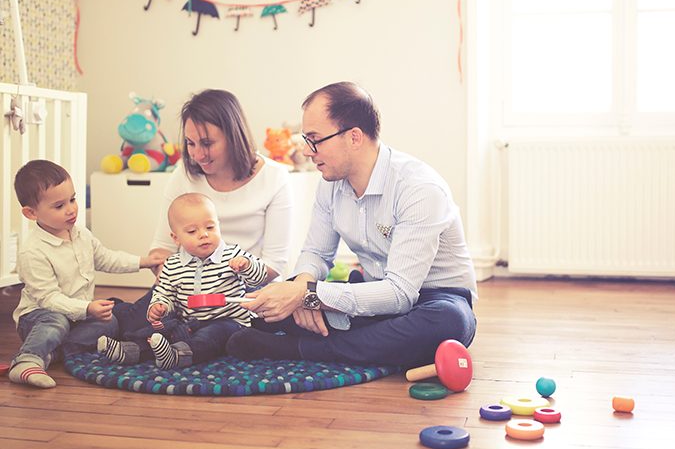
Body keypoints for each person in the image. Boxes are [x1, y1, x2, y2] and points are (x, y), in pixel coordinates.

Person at [226, 81, 478, 369]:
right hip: (374, 295)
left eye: (315, 140)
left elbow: (400, 294)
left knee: (448, 324)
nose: (308, 152)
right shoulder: (330, 183)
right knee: (264, 305)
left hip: (433, 299)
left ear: (354, 138)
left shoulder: (419, 188)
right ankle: (356, 343)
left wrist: (309, 295)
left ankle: (300, 349)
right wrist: (301, 289)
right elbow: (316, 255)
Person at [113, 88, 293, 336]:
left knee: (230, 337)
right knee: (130, 325)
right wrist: (180, 286)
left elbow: (275, 262)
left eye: (207, 143)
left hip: (243, 295)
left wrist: (227, 282)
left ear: (233, 136)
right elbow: (162, 248)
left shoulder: (274, 177)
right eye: (190, 143)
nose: (197, 155)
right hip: (187, 291)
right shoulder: (183, 174)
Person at [9, 160, 165, 389]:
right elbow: (49, 299)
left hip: (76, 316)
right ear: (31, 213)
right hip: (40, 317)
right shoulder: (33, 251)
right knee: (57, 321)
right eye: (59, 206)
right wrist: (86, 308)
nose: (71, 209)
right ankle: (27, 359)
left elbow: (106, 258)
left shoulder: (80, 234)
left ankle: (54, 355)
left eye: (73, 199)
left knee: (109, 323)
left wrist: (143, 262)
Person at [98, 193, 268, 368]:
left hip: (228, 322)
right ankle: (132, 350)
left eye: (210, 227)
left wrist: (247, 266)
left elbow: (260, 277)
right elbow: (164, 292)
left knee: (209, 335)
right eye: (192, 231)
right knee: (162, 331)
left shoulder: (233, 255)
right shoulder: (173, 264)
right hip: (188, 322)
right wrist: (160, 306)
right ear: (176, 238)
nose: (203, 235)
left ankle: (179, 355)